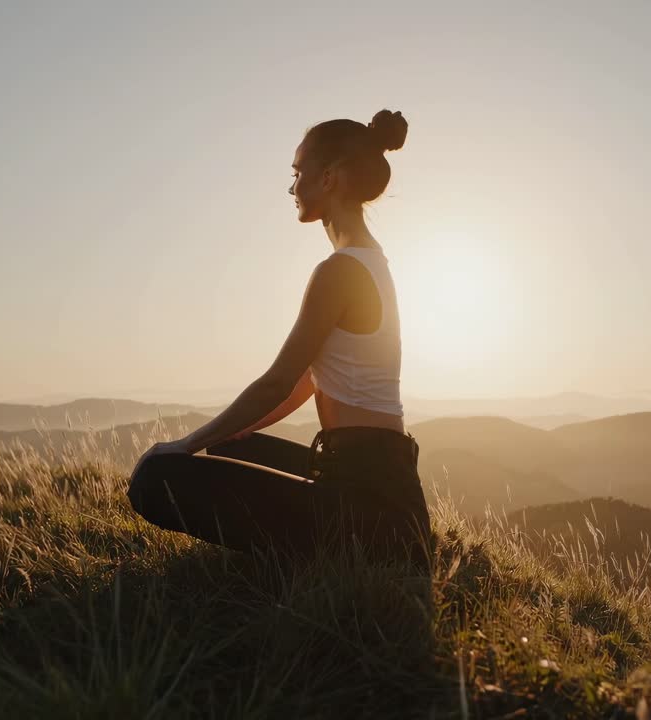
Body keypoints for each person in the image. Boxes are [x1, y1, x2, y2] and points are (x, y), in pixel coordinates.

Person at [127, 109, 431, 572]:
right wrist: (231, 430)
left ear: (328, 179)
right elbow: (311, 379)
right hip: (384, 492)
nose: (292, 189)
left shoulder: (339, 271)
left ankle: (314, 562)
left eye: (297, 174)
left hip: (366, 509)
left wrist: (183, 444)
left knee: (154, 477)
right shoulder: (372, 263)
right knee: (230, 444)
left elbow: (277, 382)